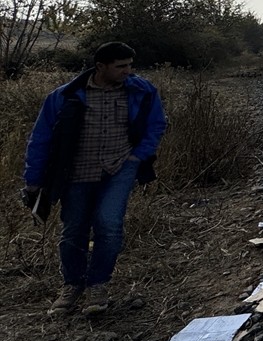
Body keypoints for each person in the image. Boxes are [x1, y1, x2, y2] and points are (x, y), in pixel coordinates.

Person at [22, 42, 168, 316]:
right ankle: (72, 285)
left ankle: (98, 285)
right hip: (76, 173)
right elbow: (40, 139)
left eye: (130, 65)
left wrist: (137, 157)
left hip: (120, 169)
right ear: (100, 67)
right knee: (74, 229)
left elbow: (157, 123)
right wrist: (33, 179)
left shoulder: (142, 91)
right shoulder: (64, 96)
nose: (128, 71)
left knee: (109, 224)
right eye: (120, 66)